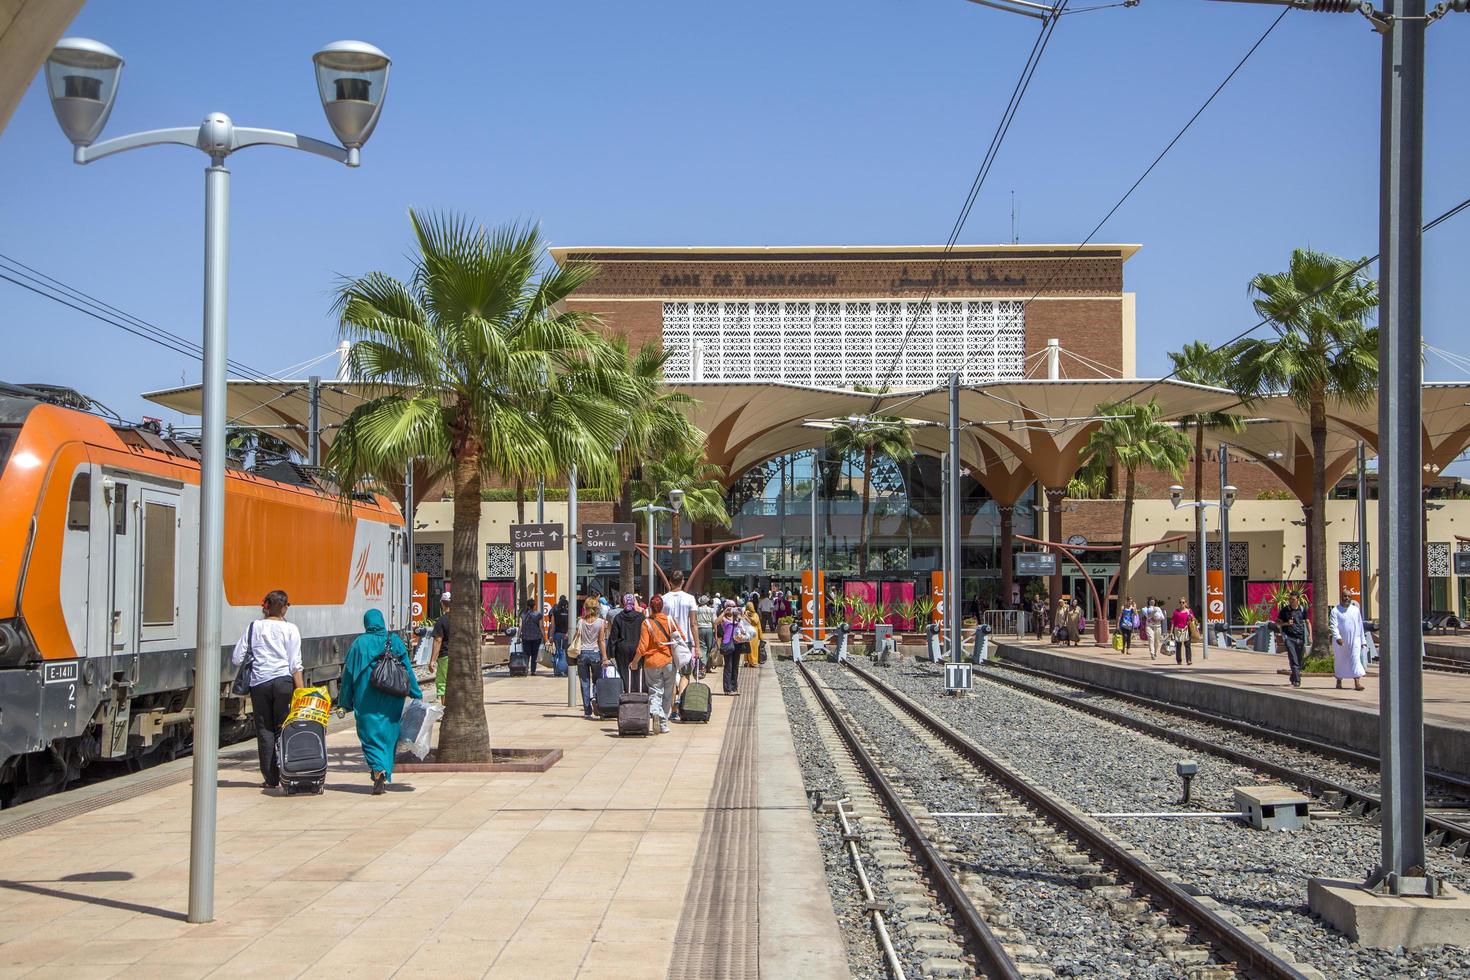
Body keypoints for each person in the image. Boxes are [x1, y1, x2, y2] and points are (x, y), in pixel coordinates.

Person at [338, 608, 422, 794]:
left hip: (366, 698)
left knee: (369, 736)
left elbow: (348, 675)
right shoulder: (396, 642)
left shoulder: (359, 644)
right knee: (388, 736)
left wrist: (344, 702)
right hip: (393, 698)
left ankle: (378, 770)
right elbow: (408, 670)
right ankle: (383, 770)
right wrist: (416, 692)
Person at [230, 590, 303, 790]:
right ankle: (290, 772)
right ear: (285, 607)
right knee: (285, 727)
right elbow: (295, 664)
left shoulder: (254, 627)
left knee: (264, 730)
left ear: (266, 607)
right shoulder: (291, 629)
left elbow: (237, 658)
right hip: (283, 683)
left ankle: (271, 778)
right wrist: (302, 691)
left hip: (259, 684)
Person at [636, 594, 682, 734]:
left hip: (651, 662)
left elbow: (643, 646)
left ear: (650, 607)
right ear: (662, 607)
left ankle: (655, 711)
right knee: (668, 693)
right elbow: (681, 637)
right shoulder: (669, 620)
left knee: (655, 691)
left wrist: (635, 661)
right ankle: (663, 724)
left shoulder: (646, 623)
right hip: (668, 661)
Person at [662, 571, 701, 718]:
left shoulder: (664, 599)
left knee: (671, 675)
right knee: (686, 674)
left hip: (669, 640)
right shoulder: (690, 599)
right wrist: (697, 646)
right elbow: (694, 624)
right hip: (686, 641)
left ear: (670, 581)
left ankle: (672, 710)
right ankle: (680, 700)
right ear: (683, 581)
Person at [574, 597, 610, 717]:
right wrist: (604, 657)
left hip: (582, 654)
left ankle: (587, 710)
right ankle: (595, 698)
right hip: (595, 653)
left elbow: (576, 637)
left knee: (584, 682)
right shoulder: (601, 622)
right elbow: (601, 641)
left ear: (586, 608)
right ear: (597, 608)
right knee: (597, 680)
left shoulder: (580, 621)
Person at [608, 593, 646, 694]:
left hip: (622, 650)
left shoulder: (618, 618)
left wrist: (610, 654)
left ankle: (627, 692)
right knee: (639, 673)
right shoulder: (641, 617)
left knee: (625, 673)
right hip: (637, 649)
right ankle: (638, 693)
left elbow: (613, 637)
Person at [1331, 591, 1367, 691]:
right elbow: (1333, 626)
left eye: (1349, 596)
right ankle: (1339, 681)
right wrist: (1337, 637)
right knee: (1340, 660)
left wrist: (1363, 641)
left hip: (1354, 640)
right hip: (1340, 642)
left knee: (1355, 659)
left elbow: (1360, 626)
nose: (1346, 598)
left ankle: (1357, 683)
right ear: (1341, 597)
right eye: (1345, 596)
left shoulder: (1355, 610)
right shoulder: (1335, 610)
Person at [1274, 591, 1310, 687]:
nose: (1290, 601)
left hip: (1300, 637)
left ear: (1297, 600)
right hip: (1289, 637)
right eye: (1289, 599)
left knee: (1300, 660)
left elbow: (1307, 622)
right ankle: (1297, 680)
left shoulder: (1302, 609)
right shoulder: (1285, 610)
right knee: (1293, 658)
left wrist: (1310, 635)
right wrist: (1286, 624)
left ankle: (1293, 676)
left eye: (1293, 599)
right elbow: (1277, 623)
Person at [428, 592, 452, 701]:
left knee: (443, 682)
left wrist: (432, 661)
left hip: (445, 656)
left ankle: (446, 710)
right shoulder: (460, 620)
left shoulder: (441, 621)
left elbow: (438, 641)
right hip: (459, 655)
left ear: (442, 604)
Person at [718, 599, 743, 695]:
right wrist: (724, 612)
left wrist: (741, 614)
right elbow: (716, 622)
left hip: (737, 642)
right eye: (730, 607)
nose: (732, 609)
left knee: (735, 666)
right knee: (728, 666)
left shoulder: (737, 617)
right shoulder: (724, 618)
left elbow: (744, 624)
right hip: (727, 643)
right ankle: (727, 688)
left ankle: (734, 686)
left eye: (733, 606)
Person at [518, 599, 546, 676]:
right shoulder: (538, 615)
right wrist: (544, 638)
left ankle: (526, 669)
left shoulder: (523, 614)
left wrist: (518, 637)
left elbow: (520, 626)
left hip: (525, 637)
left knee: (526, 654)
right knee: (534, 655)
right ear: (534, 606)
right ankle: (533, 671)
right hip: (536, 638)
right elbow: (541, 627)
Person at [1171, 596, 1198, 665]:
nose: (1181, 604)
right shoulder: (1176, 611)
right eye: (1180, 602)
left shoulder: (1189, 611)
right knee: (1178, 646)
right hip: (1178, 630)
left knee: (1187, 645)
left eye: (1183, 602)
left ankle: (1189, 660)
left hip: (1186, 629)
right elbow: (1173, 622)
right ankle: (1179, 660)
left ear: (1186, 603)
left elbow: (1193, 619)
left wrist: (1192, 619)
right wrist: (1171, 632)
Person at [1141, 597, 1166, 661]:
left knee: (1157, 641)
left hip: (1158, 626)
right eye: (1151, 601)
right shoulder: (1146, 609)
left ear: (1155, 602)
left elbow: (1162, 617)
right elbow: (1147, 616)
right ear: (1148, 602)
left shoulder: (1158, 608)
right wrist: (1152, 612)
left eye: (1153, 601)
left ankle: (1155, 652)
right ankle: (1152, 653)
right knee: (1151, 639)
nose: (1152, 602)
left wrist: (1158, 616)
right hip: (1149, 626)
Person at [695, 595, 716, 669]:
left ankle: (704, 664)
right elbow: (714, 621)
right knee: (709, 647)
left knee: (703, 646)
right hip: (709, 629)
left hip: (700, 628)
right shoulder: (711, 610)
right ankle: (705, 664)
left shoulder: (697, 609)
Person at [552, 596, 571, 678]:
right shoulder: (569, 613)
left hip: (557, 634)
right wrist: (567, 633)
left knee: (558, 652)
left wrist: (551, 636)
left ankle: (557, 670)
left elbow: (553, 626)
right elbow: (571, 625)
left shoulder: (555, 612)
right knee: (566, 653)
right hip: (566, 635)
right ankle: (566, 670)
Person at [744, 597, 764, 667]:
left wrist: (748, 616)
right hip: (751, 632)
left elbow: (755, 622)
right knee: (748, 647)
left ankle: (752, 661)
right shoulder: (752, 614)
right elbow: (758, 625)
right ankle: (748, 661)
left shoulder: (754, 615)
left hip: (752, 633)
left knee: (752, 647)